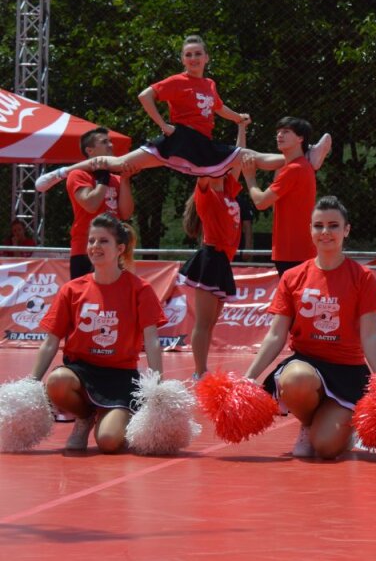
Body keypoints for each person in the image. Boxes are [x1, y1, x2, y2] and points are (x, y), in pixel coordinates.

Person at [35, 35, 331, 192]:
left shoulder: (209, 83)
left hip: (200, 143)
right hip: (179, 139)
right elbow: (145, 96)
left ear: (206, 58)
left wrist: (237, 117)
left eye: (198, 54)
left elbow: (217, 107)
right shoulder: (177, 81)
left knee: (247, 156)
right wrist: (163, 124)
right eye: (188, 55)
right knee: (116, 163)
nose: (193, 58)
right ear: (182, 59)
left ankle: (306, 156)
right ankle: (60, 173)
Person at [244, 196, 376, 460]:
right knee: (295, 378)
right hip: (306, 365)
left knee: (325, 449)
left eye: (333, 225)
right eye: (318, 225)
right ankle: (308, 423)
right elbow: (276, 335)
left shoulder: (363, 277)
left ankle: (339, 425)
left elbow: (370, 335)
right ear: (310, 230)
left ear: (346, 230)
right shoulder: (293, 276)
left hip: (347, 371)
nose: (325, 232)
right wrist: (249, 377)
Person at [29, 214, 165, 453]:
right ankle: (85, 417)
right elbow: (50, 342)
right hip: (81, 371)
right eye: (91, 241)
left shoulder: (140, 289)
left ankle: (116, 414)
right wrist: (30, 383)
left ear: (119, 249)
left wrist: (157, 387)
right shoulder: (71, 289)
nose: (94, 247)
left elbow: (152, 341)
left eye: (103, 241)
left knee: (109, 442)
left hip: (120, 376)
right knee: (57, 381)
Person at [179, 172, 242, 379]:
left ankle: (201, 370)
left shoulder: (228, 190)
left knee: (211, 323)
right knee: (203, 323)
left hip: (222, 261)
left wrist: (243, 137)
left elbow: (238, 158)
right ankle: (199, 372)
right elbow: (203, 169)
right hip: (210, 258)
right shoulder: (207, 193)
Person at [242, 117, 318, 276]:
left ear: (300, 138)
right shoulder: (297, 167)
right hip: (295, 251)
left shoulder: (294, 169)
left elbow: (261, 202)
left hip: (293, 253)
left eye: (286, 132)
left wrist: (249, 177)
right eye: (278, 132)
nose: (279, 135)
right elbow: (274, 205)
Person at [65, 128, 135, 280]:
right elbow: (91, 204)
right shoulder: (78, 174)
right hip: (85, 249)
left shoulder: (115, 179)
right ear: (90, 150)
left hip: (113, 249)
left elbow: (126, 213)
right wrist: (102, 178)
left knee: (113, 297)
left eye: (110, 141)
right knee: (84, 299)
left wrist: (124, 179)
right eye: (104, 142)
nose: (110, 145)